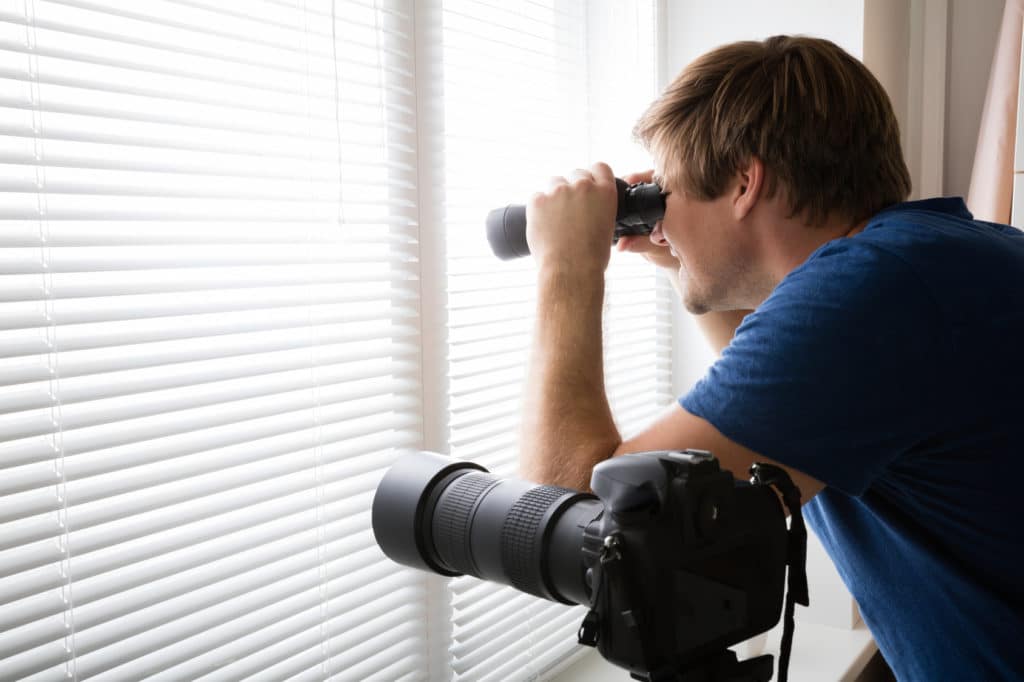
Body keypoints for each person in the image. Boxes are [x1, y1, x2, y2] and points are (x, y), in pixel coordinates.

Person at [518, 35, 1024, 681]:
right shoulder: (943, 255)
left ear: (743, 182)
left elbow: (570, 525)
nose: (659, 222)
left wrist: (566, 266)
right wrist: (684, 264)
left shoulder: (873, 290)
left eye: (665, 195)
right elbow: (776, 427)